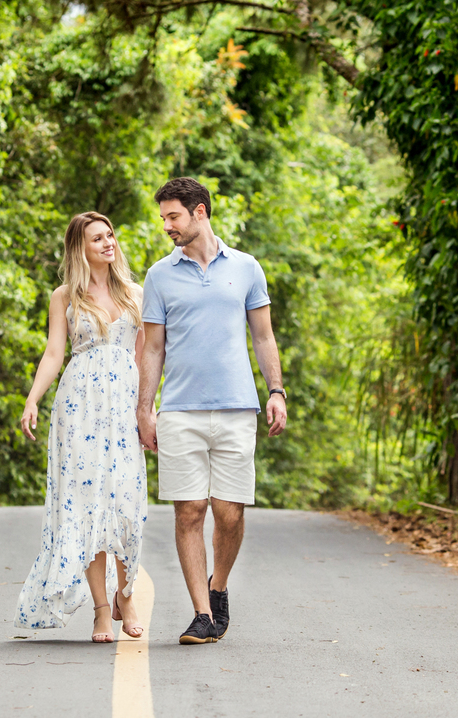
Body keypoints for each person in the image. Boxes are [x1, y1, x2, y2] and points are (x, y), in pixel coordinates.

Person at [137, 177, 287, 645]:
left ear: (199, 212)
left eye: (173, 216)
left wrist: (277, 390)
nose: (167, 226)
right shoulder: (160, 275)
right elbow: (152, 348)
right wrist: (146, 408)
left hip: (238, 409)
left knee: (229, 513)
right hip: (180, 410)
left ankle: (217, 586)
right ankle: (201, 615)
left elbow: (262, 337)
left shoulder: (246, 268)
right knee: (189, 511)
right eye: (163, 217)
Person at [15, 212, 148, 643]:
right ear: (80, 248)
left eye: (110, 234)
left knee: (125, 502)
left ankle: (127, 596)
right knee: (89, 505)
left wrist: (150, 409)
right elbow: (55, 352)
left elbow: (147, 358)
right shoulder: (64, 297)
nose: (108, 242)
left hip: (124, 407)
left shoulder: (135, 293)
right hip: (80, 408)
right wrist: (33, 398)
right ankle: (102, 610)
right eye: (97, 238)